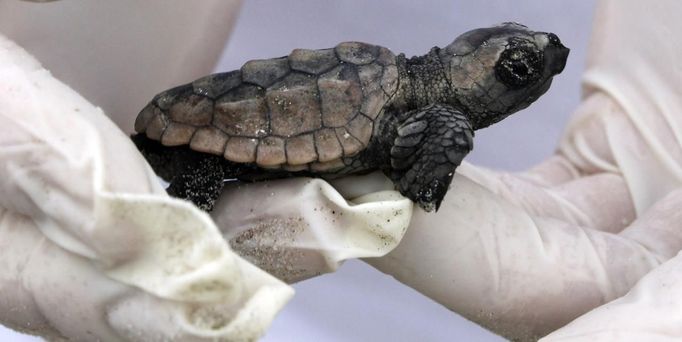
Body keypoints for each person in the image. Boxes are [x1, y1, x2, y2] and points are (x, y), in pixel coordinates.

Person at [1, 0, 681, 340]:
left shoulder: (411, 85)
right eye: (520, 67)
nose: (541, 62)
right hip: (206, 123)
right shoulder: (435, 115)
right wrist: (424, 183)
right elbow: (431, 145)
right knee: (173, 208)